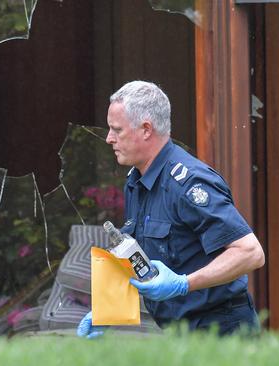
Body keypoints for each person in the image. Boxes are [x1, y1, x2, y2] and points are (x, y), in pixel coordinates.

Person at [77, 81, 265, 339]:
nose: (109, 138)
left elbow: (251, 253)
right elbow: (136, 255)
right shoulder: (137, 181)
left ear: (146, 129)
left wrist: (182, 284)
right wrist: (110, 309)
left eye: (117, 130)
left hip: (222, 331)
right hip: (179, 333)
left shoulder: (189, 183)